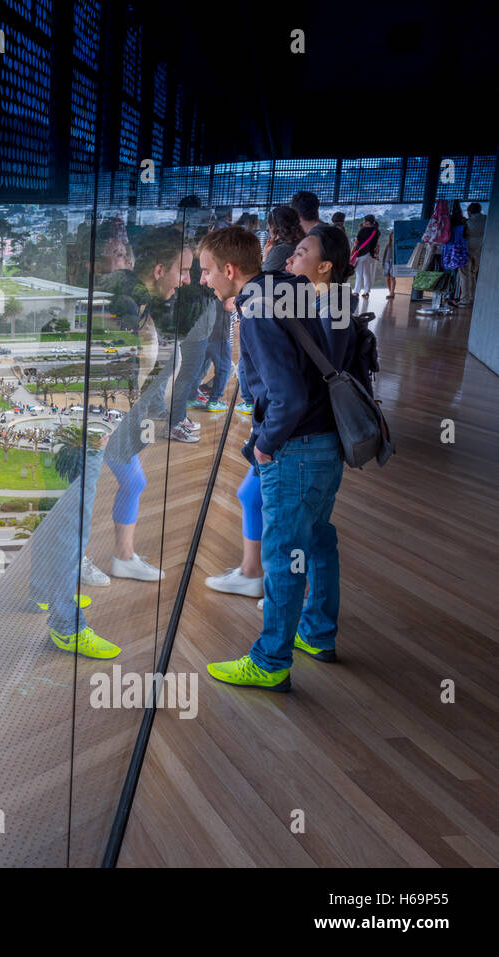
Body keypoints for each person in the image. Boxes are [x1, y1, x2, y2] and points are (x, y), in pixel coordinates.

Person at [198, 225, 359, 692]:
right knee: (319, 539)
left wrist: (264, 446)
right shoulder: (290, 289)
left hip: (297, 449)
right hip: (327, 440)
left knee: (285, 553)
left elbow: (285, 396)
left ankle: (270, 663)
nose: (205, 280)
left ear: (230, 270)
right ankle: (317, 633)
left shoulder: (256, 309)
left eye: (208, 271)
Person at [458, 202, 487, 305]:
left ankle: (465, 299)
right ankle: (474, 298)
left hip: (467, 249)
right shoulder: (487, 219)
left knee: (465, 274)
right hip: (481, 249)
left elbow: (462, 234)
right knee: (473, 274)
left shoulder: (467, 222)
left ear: (469, 212)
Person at [350, 215, 380, 298]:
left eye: (364, 221)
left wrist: (352, 254)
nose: (363, 222)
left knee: (359, 273)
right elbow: (376, 244)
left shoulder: (363, 230)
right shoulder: (376, 231)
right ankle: (366, 291)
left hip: (361, 254)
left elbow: (356, 243)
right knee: (367, 274)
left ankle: (356, 291)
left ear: (367, 222)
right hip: (370, 255)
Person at [380, 226, 397, 299]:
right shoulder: (388, 245)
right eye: (392, 236)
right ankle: (390, 291)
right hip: (387, 262)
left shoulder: (397, 245)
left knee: (393, 277)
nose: (393, 237)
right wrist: (383, 263)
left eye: (394, 236)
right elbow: (384, 255)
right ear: (390, 237)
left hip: (394, 262)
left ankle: (392, 293)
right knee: (387, 278)